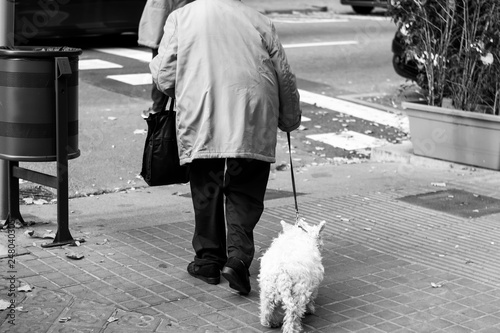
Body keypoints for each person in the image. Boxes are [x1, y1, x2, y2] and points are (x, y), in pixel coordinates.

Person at [150, 0, 302, 295]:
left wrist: (186, 88)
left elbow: (165, 76)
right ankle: (238, 260)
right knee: (244, 188)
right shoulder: (259, 21)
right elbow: (283, 74)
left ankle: (208, 260)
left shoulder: (182, 17)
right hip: (252, 114)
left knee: (207, 183)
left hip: (204, 113)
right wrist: (290, 118)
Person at [137, 0, 195, 115]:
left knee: (163, 67)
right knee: (169, 67)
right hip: (172, 20)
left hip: (166, 21)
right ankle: (160, 108)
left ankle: (158, 109)